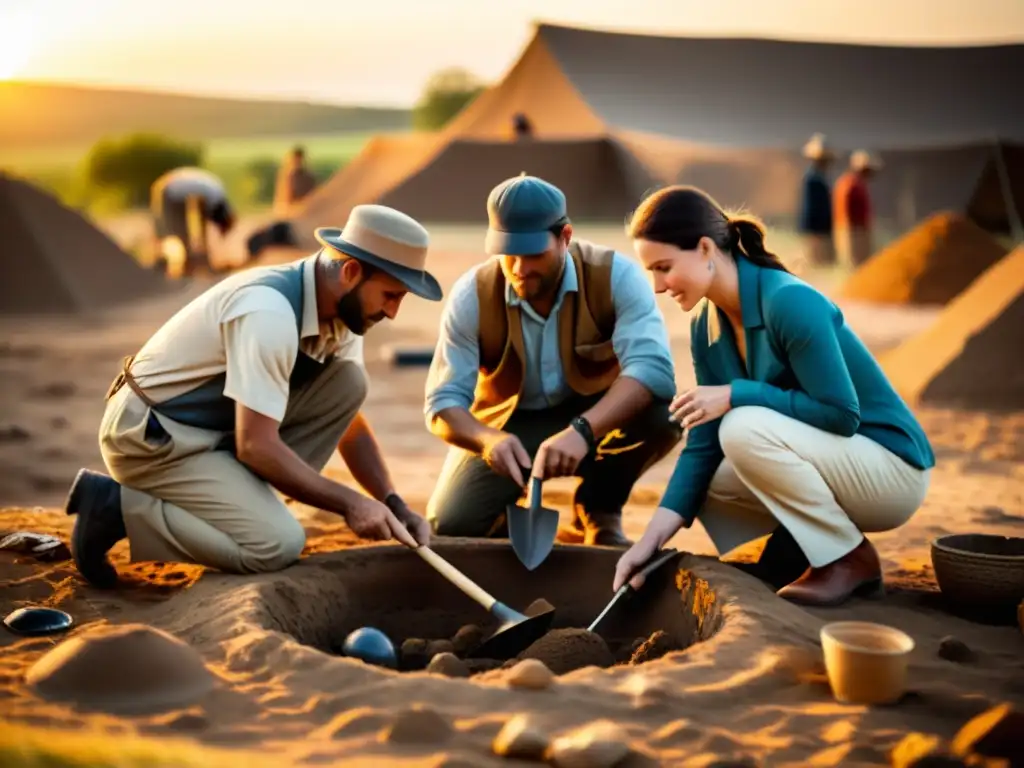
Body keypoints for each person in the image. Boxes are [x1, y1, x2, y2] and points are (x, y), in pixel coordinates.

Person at [65, 205, 443, 589]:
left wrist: (392, 501)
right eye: (391, 295)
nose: (393, 312)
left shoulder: (344, 312)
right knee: (275, 545)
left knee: (349, 383)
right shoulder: (269, 312)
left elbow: (349, 422)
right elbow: (254, 445)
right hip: (151, 437)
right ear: (350, 273)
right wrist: (351, 503)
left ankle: (244, 502)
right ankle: (115, 508)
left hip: (214, 433)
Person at [614, 185, 934, 607]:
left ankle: (846, 557)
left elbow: (841, 415)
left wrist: (736, 393)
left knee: (743, 428)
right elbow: (703, 445)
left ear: (706, 248)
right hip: (838, 463)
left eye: (664, 267)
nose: (657, 286)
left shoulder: (789, 301)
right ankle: (800, 545)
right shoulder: (706, 326)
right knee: (710, 476)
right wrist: (648, 541)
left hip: (891, 471)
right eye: (651, 272)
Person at [424, 174, 680, 546]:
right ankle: (510, 527)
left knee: (664, 417)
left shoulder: (616, 276)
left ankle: (599, 508)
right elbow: (442, 403)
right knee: (451, 523)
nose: (519, 268)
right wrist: (485, 440)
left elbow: (653, 370)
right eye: (509, 254)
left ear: (565, 237)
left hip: (597, 416)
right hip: (508, 426)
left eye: (533, 254)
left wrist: (583, 430)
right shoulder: (471, 295)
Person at [150, 167, 236, 276]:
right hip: (170, 189)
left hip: (172, 184)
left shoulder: (216, 191)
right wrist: (202, 245)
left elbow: (200, 216)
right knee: (172, 230)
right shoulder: (215, 198)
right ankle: (162, 264)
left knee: (179, 232)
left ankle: (186, 264)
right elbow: (202, 221)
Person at [833, 150, 882, 269]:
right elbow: (845, 210)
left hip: (858, 229)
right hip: (854, 231)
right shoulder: (850, 184)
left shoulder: (857, 184)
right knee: (855, 264)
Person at [797, 133, 835, 267]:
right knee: (816, 261)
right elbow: (813, 207)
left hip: (822, 227)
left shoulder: (821, 177)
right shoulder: (812, 178)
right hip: (816, 227)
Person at [273, 145, 319, 216]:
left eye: (299, 159)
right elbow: (283, 198)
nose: (298, 162)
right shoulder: (287, 176)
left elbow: (313, 193)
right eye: (296, 159)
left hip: (305, 209)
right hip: (289, 211)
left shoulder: (308, 176)